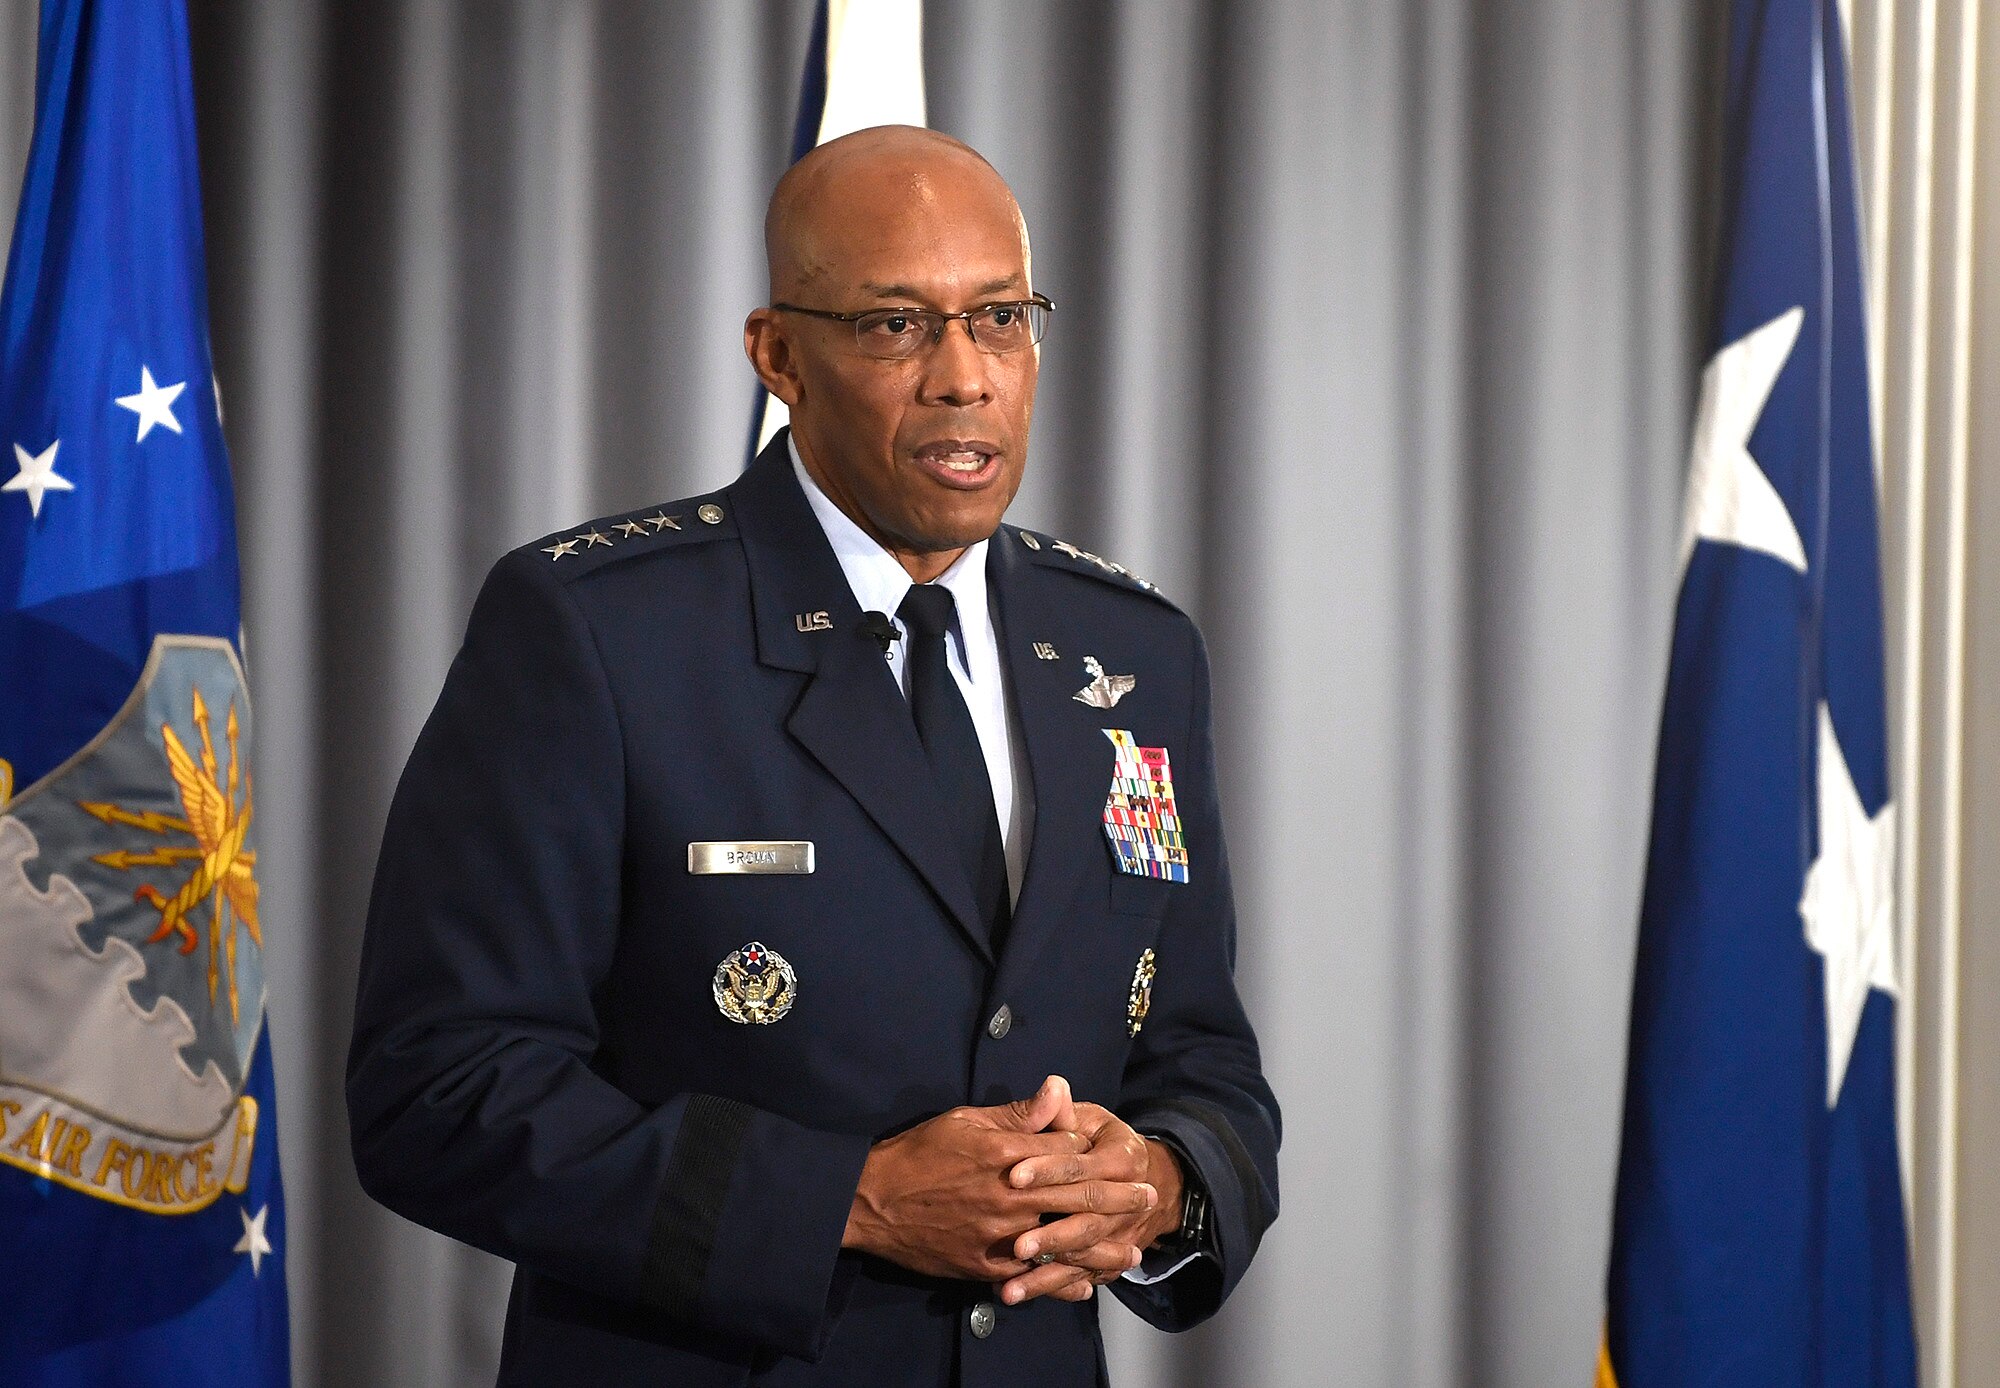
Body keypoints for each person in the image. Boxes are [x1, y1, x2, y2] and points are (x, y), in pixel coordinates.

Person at [347, 125, 1278, 1388]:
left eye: (999, 317)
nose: (964, 377)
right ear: (776, 354)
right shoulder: (598, 630)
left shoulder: (1131, 650)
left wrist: (1157, 1183)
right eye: (897, 325)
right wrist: (853, 1199)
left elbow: (1201, 1054)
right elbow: (437, 1089)